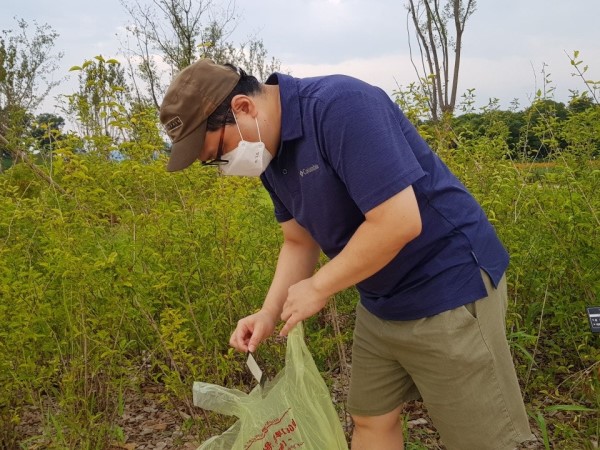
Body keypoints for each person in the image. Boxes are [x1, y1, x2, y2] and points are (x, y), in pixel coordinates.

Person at [159, 59, 534, 450]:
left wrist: (320, 285)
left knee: (478, 439)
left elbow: (399, 222)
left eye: (219, 154)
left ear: (243, 108)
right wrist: (269, 312)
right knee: (371, 418)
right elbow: (298, 241)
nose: (224, 169)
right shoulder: (268, 150)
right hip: (380, 297)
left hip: (446, 284)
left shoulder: (340, 107)